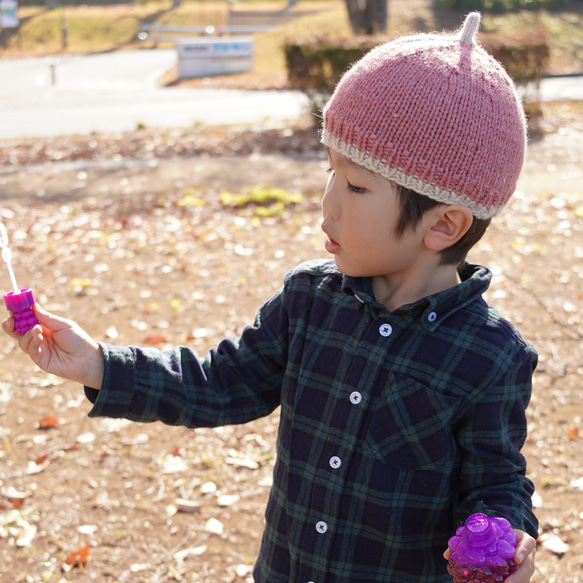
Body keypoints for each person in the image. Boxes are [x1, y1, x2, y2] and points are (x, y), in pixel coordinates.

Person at [3, 11, 538, 583]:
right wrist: (100, 365)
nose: (328, 203)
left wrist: (500, 539)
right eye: (331, 170)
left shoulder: (490, 355)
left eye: (356, 186)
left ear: (444, 225)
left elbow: (496, 481)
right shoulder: (310, 300)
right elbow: (219, 383)